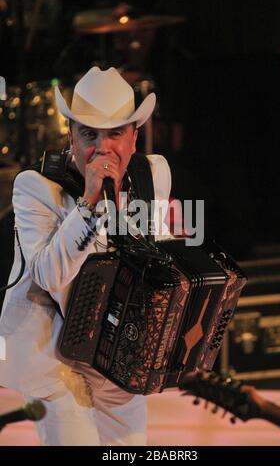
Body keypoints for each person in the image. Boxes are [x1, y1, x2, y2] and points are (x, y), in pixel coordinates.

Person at [0, 66, 172, 446]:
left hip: (115, 356)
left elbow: (154, 257)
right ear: (70, 136)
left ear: (134, 136)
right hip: (53, 355)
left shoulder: (153, 174)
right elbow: (50, 276)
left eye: (115, 133)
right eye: (89, 134)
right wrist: (89, 205)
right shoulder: (36, 187)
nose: (103, 148)